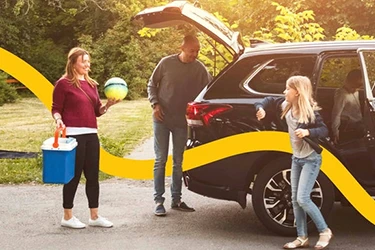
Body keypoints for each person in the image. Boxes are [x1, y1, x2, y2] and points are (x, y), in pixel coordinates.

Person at [255, 76, 333, 250]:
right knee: (295, 200)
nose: (284, 92)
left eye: (287, 89)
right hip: (296, 158)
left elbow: (324, 130)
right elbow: (268, 100)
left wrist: (307, 132)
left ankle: (324, 231)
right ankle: (302, 237)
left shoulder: (310, 111)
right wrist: (261, 108)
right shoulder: (286, 106)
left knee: (303, 198)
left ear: (297, 91)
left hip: (311, 160)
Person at [52, 47, 120, 229]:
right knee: (72, 177)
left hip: (91, 134)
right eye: (84, 61)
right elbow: (56, 108)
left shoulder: (92, 85)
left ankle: (94, 216)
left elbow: (97, 110)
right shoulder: (63, 84)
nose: (87, 65)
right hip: (73, 136)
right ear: (73, 63)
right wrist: (58, 120)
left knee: (93, 176)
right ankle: (67, 217)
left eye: (88, 61)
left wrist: (108, 106)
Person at [147, 35, 212, 216]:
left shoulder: (199, 68)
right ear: (182, 48)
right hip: (162, 119)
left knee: (178, 161)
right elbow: (151, 85)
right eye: (192, 50)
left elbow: (210, 88)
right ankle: (158, 201)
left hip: (182, 122)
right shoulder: (166, 63)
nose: (195, 54)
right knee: (160, 160)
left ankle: (176, 199)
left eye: (198, 51)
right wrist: (155, 104)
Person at [331, 69, 363, 144]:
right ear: (349, 81)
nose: (357, 88)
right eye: (356, 85)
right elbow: (336, 114)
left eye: (360, 86)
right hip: (348, 125)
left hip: (358, 122)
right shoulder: (342, 95)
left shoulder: (356, 92)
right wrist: (335, 131)